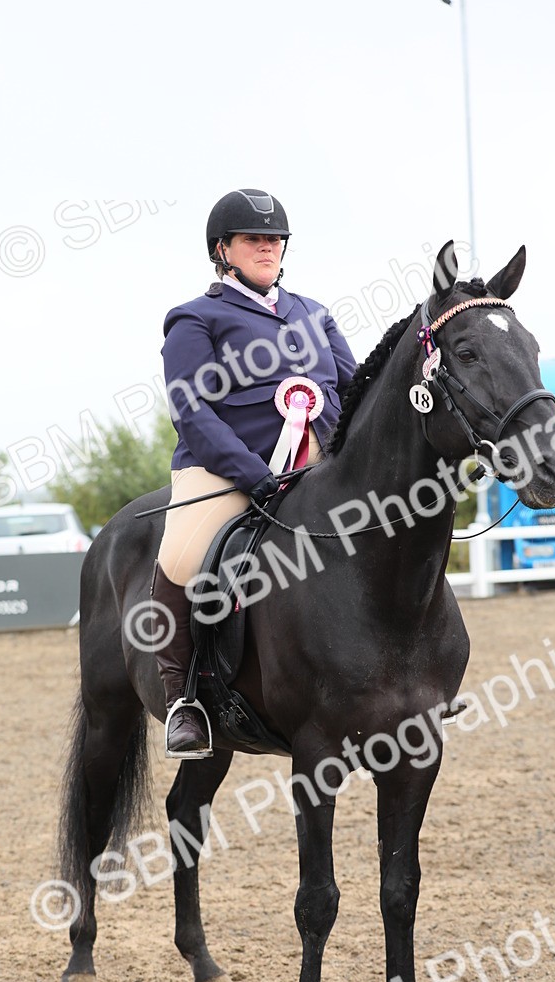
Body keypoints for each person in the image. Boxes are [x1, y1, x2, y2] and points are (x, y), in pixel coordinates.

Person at [153, 188, 357, 758]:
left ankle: (408, 675)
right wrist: (251, 475)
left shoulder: (314, 314)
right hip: (224, 472)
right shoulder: (196, 319)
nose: (267, 248)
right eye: (254, 239)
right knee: (185, 557)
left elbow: (354, 387)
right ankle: (184, 698)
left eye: (274, 240)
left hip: (317, 467)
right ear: (223, 249)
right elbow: (191, 412)